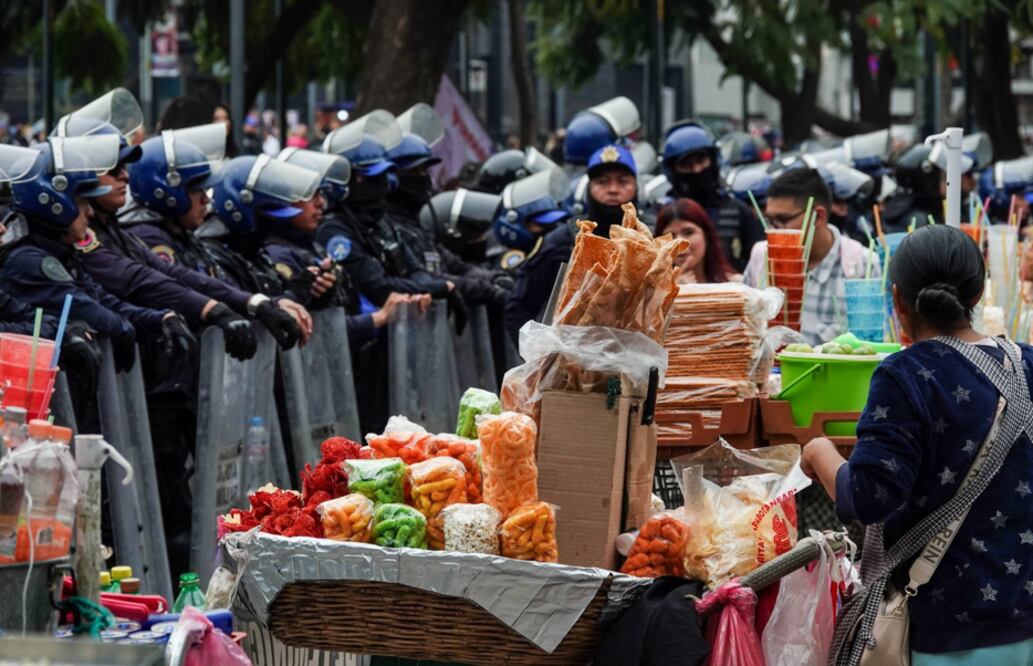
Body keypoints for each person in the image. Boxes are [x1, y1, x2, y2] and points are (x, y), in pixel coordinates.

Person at [802, 224, 1033, 663]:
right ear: (980, 294)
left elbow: (867, 498)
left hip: (944, 631)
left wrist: (820, 452)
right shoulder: (1028, 365)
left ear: (896, 301)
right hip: (1025, 621)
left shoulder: (903, 375)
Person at [123, 123, 306, 351]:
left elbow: (219, 285)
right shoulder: (149, 238)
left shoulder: (183, 237)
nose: (206, 200)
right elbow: (183, 288)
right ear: (167, 192)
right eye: (197, 190)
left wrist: (270, 303)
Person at [504, 144, 636, 340]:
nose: (613, 189)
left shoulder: (653, 237)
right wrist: (537, 359)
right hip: (570, 362)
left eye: (622, 181)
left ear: (635, 185)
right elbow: (519, 306)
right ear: (589, 187)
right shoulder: (563, 239)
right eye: (603, 182)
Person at [742, 167, 879, 345]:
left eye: (783, 220)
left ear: (818, 217)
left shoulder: (863, 266)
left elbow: (873, 347)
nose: (774, 230)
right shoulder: (761, 257)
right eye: (770, 221)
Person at [661, 121, 764, 272]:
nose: (696, 170)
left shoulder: (737, 210)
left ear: (713, 161)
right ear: (673, 170)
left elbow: (759, 263)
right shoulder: (661, 214)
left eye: (701, 161)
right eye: (686, 164)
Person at [655, 198, 739, 284]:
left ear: (706, 236)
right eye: (670, 236)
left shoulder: (736, 286)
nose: (679, 242)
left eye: (688, 232)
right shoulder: (650, 291)